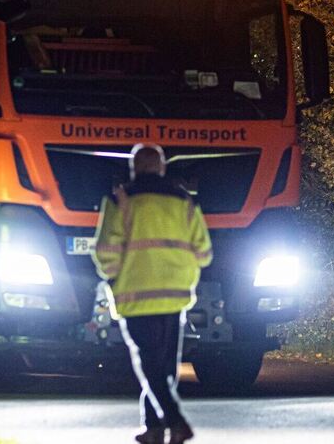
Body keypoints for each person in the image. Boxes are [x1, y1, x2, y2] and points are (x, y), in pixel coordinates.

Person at [93, 143, 212, 444]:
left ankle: (174, 422)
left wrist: (113, 275)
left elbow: (106, 251)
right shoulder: (184, 201)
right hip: (175, 296)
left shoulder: (120, 200)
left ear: (134, 168)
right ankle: (154, 428)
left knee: (148, 364)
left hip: (135, 294)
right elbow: (205, 253)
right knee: (165, 367)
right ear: (162, 168)